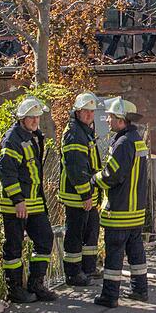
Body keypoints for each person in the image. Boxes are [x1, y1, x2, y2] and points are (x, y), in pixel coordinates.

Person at [0, 94, 57, 303]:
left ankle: (35, 283)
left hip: (34, 201)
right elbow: (6, 172)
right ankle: (14, 288)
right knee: (14, 246)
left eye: (37, 117)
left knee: (45, 239)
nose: (35, 121)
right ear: (22, 118)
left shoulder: (33, 136)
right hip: (16, 204)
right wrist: (17, 200)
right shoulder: (12, 139)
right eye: (31, 117)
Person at [92, 97, 150, 308]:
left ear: (121, 120)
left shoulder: (123, 143)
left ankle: (109, 296)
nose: (107, 120)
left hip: (119, 212)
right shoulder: (136, 140)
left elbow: (111, 175)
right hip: (135, 212)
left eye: (110, 117)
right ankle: (139, 290)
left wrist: (94, 179)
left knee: (114, 256)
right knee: (136, 254)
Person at [60, 92, 102, 287]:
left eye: (92, 111)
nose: (89, 114)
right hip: (77, 195)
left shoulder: (84, 130)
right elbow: (76, 169)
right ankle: (73, 274)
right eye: (85, 111)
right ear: (77, 112)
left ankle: (88, 269)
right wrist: (86, 194)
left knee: (91, 231)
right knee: (75, 235)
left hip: (88, 195)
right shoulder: (74, 133)